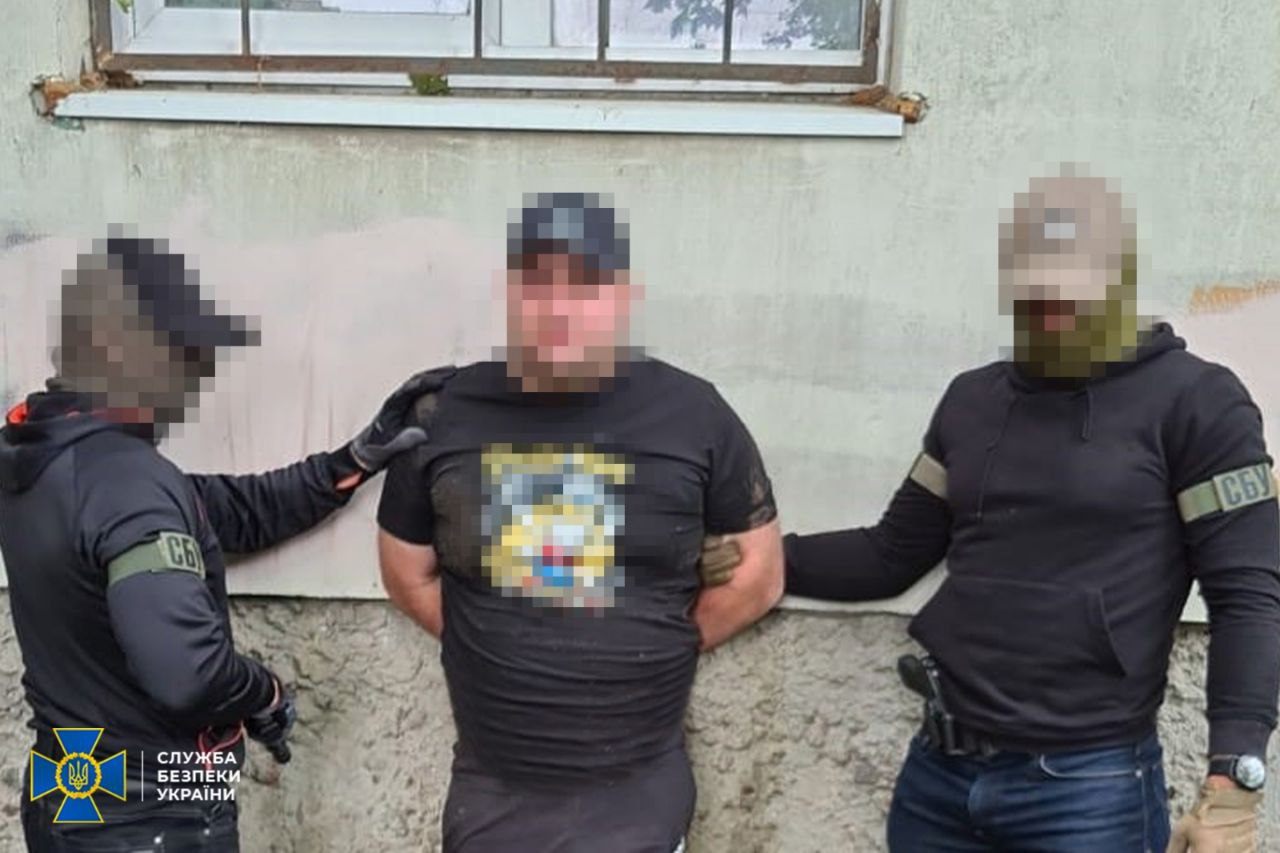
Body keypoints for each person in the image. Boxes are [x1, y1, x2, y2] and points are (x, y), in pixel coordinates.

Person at [784, 171, 1280, 852]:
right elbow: (891, 552)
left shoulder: (1198, 404)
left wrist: (1234, 784)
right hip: (937, 781)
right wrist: (759, 555)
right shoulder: (973, 401)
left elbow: (1248, 595)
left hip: (1087, 792)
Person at [1, 232, 447, 852]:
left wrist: (352, 462)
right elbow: (188, 674)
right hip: (148, 822)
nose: (191, 380)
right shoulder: (129, 485)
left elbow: (227, 509)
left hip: (70, 795)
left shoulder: (46, 462)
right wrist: (264, 691)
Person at [376, 193, 783, 853]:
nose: (560, 307)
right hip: (492, 804)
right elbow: (406, 569)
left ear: (623, 296)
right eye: (538, 284)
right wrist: (491, 648)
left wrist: (660, 650)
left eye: (585, 285)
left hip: (637, 804)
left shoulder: (694, 414)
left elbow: (758, 575)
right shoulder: (446, 412)